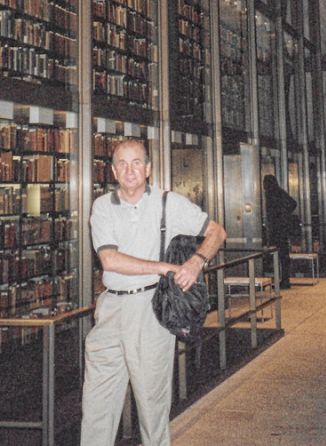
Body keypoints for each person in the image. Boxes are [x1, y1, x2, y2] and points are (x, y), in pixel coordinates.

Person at [80, 139, 226, 446]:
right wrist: (165, 268)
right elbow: (110, 260)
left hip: (149, 310)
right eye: (122, 163)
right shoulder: (102, 206)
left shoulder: (168, 203)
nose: (129, 170)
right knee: (96, 404)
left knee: (151, 404)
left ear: (148, 168)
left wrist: (196, 262)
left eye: (136, 163)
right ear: (113, 170)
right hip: (110, 309)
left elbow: (217, 231)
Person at [263, 173, 297, 289]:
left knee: (278, 255)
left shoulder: (272, 194)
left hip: (277, 229)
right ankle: (284, 279)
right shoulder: (279, 192)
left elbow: (272, 213)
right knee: (282, 255)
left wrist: (280, 215)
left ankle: (283, 280)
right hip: (282, 228)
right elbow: (293, 203)